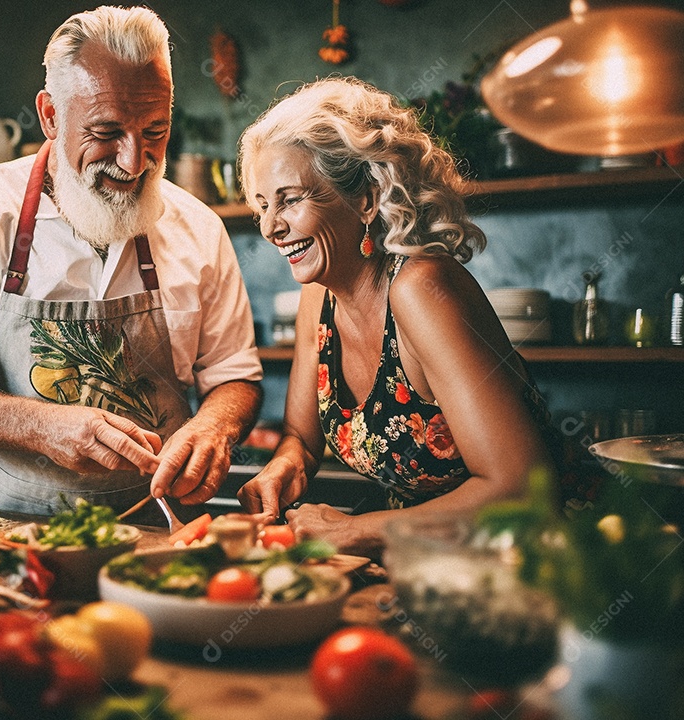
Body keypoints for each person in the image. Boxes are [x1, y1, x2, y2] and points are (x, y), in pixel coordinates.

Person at [0, 6, 262, 523]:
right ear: (50, 116)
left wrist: (216, 426)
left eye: (155, 130)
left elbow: (235, 377)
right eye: (106, 131)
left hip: (164, 535)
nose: (134, 162)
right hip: (18, 538)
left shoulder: (199, 227)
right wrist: (41, 426)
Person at [236, 77, 560, 554]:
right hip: (425, 561)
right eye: (263, 205)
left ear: (366, 198)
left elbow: (520, 489)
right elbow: (301, 440)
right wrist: (285, 466)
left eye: (290, 199)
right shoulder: (318, 298)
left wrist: (353, 530)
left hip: (537, 559)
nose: (270, 227)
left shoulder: (422, 288)